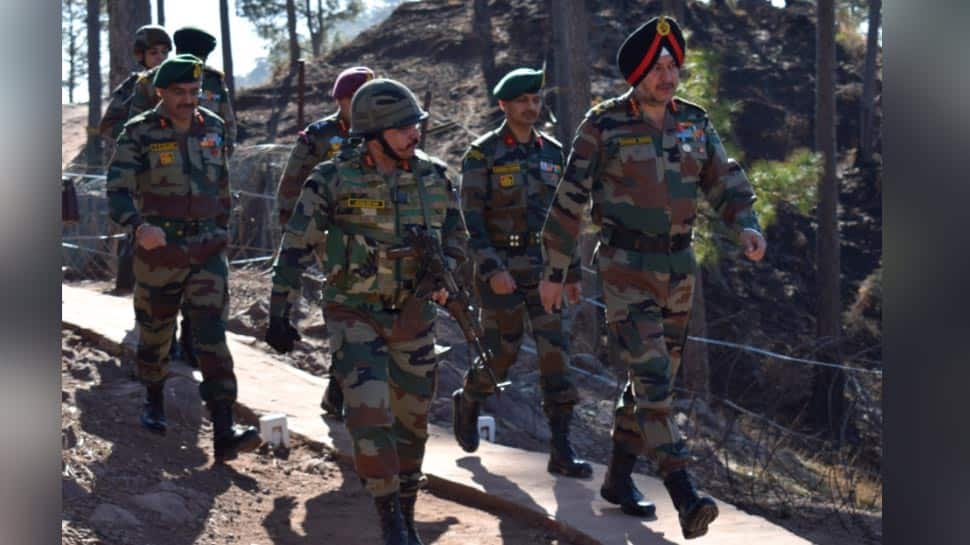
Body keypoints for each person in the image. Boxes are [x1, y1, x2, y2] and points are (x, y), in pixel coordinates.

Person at [538, 16, 767, 539]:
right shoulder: (603, 124)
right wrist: (557, 271)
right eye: (658, 67)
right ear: (637, 74)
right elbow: (568, 201)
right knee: (655, 383)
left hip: (679, 270)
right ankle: (684, 494)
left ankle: (618, 480)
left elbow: (725, 180)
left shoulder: (694, 122)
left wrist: (747, 225)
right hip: (625, 270)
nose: (669, 76)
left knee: (648, 382)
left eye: (673, 65)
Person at [264, 78, 468, 545]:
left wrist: (447, 273)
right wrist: (280, 312)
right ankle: (389, 517)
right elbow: (294, 247)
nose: (415, 135)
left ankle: (407, 506)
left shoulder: (434, 177)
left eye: (417, 125)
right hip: (354, 313)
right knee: (369, 414)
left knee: (412, 421)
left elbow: (459, 239)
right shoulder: (332, 180)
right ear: (373, 134)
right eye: (403, 129)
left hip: (414, 318)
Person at [106, 55, 261, 462]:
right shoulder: (138, 133)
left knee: (211, 336)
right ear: (160, 93)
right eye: (180, 93)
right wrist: (139, 227)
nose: (189, 101)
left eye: (194, 93)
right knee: (156, 332)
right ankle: (154, 399)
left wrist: (224, 227)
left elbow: (222, 183)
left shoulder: (214, 125)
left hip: (207, 250)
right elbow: (117, 190)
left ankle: (225, 429)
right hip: (160, 252)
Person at [451, 67, 591, 479]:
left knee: (556, 357)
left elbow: (568, 218)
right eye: (523, 102)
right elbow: (469, 221)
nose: (532, 107)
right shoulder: (483, 154)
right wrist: (492, 268)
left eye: (535, 100)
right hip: (502, 272)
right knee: (501, 355)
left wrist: (573, 272)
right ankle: (471, 396)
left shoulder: (553, 152)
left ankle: (562, 449)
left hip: (547, 273)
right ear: (504, 106)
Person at [274, 65, 376, 419]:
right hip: (327, 235)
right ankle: (343, 390)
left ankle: (339, 388)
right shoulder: (319, 137)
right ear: (342, 101)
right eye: (358, 99)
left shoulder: (383, 132)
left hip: (374, 234)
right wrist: (294, 239)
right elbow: (291, 186)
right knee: (349, 306)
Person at [98, 24, 172, 295]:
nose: (161, 58)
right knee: (139, 226)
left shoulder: (177, 85)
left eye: (165, 52)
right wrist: (136, 137)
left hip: (173, 167)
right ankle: (129, 287)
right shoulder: (131, 87)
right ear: (141, 56)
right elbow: (108, 125)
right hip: (141, 168)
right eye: (154, 53)